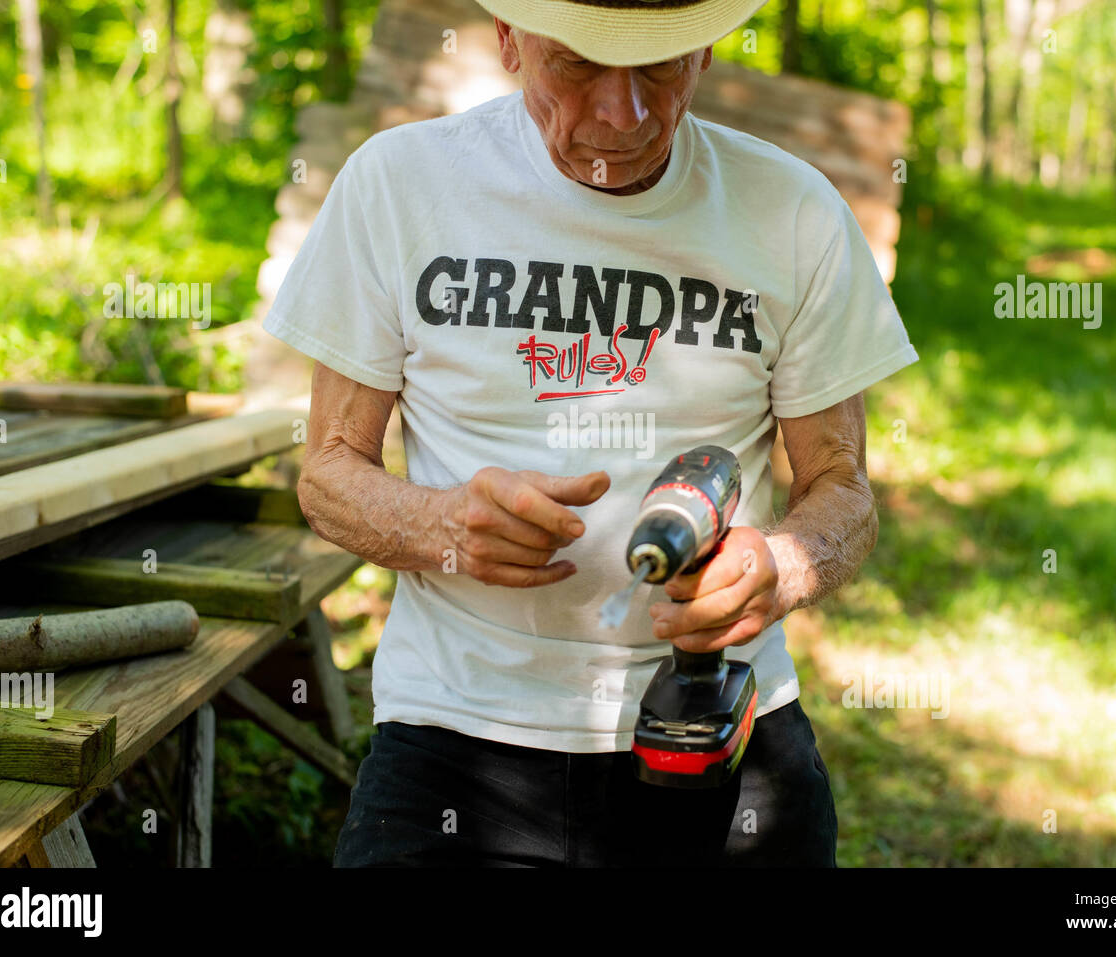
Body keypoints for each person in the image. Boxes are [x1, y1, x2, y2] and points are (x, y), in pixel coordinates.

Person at [262, 0, 919, 867]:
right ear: (508, 40)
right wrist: (441, 526)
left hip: (712, 727)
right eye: (577, 65)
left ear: (708, 49)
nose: (624, 113)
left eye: (659, 66)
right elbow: (329, 472)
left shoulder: (792, 210)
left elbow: (842, 486)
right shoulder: (398, 186)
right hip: (459, 734)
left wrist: (784, 564)